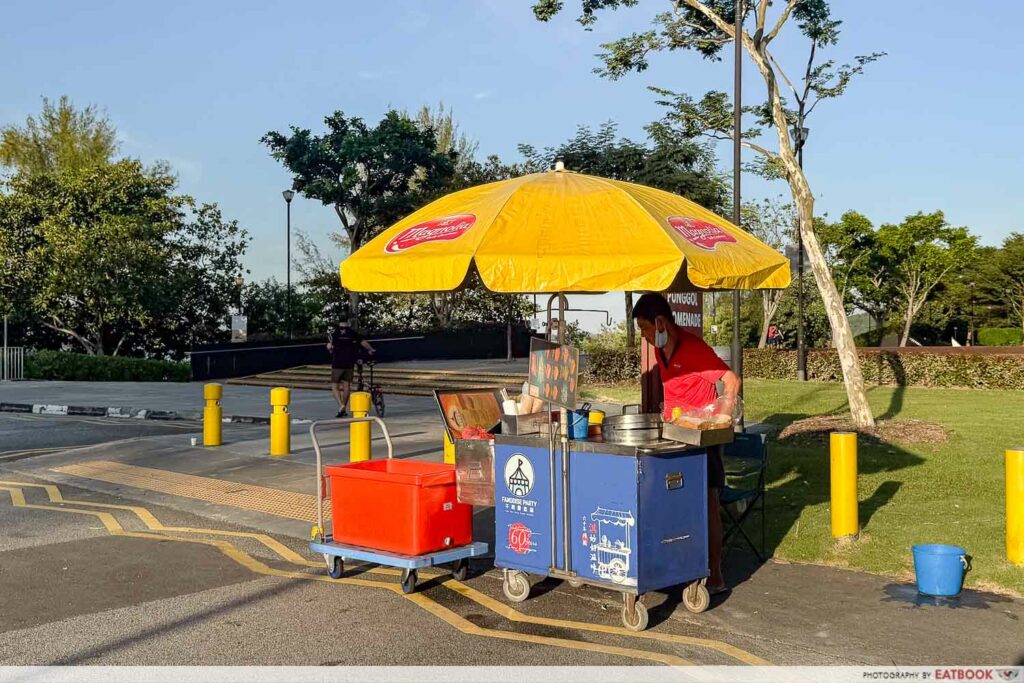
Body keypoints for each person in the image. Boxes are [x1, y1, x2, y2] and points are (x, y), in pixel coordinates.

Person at [631, 293, 741, 595]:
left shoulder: (695, 349)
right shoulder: (662, 351)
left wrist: (721, 417)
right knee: (672, 504)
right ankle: (680, 564)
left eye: (644, 329)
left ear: (660, 322)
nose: (644, 336)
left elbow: (731, 380)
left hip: (702, 441)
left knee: (707, 503)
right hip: (674, 438)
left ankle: (715, 572)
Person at [326, 319, 375, 418]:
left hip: (337, 363)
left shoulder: (334, 334)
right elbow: (363, 342)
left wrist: (330, 349)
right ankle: (343, 407)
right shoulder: (352, 333)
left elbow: (329, 346)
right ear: (348, 323)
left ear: (338, 323)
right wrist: (370, 349)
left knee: (334, 386)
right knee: (346, 385)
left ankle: (341, 405)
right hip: (349, 362)